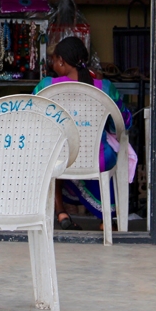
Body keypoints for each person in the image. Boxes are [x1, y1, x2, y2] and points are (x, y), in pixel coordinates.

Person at [33, 36, 134, 230]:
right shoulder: (104, 87)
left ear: (61, 60)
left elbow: (34, 119)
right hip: (97, 159)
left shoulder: (46, 86)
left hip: (61, 157)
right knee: (109, 151)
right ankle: (106, 219)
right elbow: (122, 124)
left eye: (54, 60)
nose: (53, 64)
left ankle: (61, 212)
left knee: (55, 152)